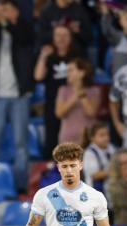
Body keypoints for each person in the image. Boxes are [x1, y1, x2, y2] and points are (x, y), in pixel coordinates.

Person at [0, 0, 34, 191]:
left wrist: (12, 21)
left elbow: (26, 39)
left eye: (7, 9)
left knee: (21, 143)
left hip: (18, 94)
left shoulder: (23, 28)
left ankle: (21, 186)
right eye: (1, 9)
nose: (4, 12)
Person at [34, 25, 82, 160]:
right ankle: (51, 171)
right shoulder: (49, 56)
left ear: (70, 38)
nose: (61, 39)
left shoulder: (77, 55)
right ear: (53, 38)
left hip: (74, 102)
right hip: (53, 102)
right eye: (58, 35)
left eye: (65, 35)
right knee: (52, 138)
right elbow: (38, 76)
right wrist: (43, 56)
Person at [55, 57, 100, 145]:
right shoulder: (63, 90)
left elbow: (91, 113)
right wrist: (75, 97)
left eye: (71, 70)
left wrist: (82, 96)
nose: (68, 74)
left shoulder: (94, 91)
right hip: (67, 137)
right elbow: (59, 113)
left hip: (87, 136)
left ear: (82, 73)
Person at [81, 122, 115, 193]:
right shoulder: (89, 153)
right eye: (101, 135)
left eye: (107, 134)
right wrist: (115, 172)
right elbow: (95, 175)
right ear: (92, 138)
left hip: (109, 188)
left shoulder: (111, 148)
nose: (106, 138)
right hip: (95, 190)